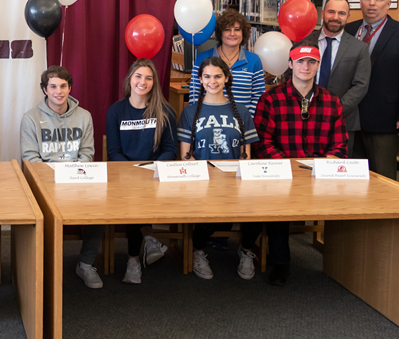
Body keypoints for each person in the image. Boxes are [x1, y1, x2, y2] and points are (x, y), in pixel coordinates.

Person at [253, 46, 347, 285]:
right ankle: (281, 263)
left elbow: (340, 145)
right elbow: (262, 143)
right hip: (282, 171)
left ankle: (342, 261)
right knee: (277, 204)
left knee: (350, 200)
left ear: (317, 66)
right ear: (290, 64)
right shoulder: (271, 99)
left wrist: (323, 167)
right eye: (300, 61)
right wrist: (287, 168)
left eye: (311, 62)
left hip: (320, 173)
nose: (306, 66)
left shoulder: (332, 101)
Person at [19, 65, 105, 289]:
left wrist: (71, 175)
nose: (59, 91)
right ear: (45, 90)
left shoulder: (84, 116)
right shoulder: (30, 119)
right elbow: (30, 160)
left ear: (70, 88)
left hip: (77, 181)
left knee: (98, 209)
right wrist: (57, 176)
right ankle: (42, 265)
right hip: (46, 184)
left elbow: (87, 154)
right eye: (53, 86)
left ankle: (85, 264)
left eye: (63, 86)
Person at [179, 57, 261, 280]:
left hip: (234, 181)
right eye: (207, 76)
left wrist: (240, 183)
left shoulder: (242, 112)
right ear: (200, 79)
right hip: (203, 181)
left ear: (226, 78)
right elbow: (185, 155)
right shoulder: (189, 112)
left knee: (262, 211)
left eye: (217, 76)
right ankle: (197, 251)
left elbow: (247, 156)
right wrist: (204, 177)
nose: (212, 81)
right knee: (212, 214)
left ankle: (246, 250)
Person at [104, 58, 177, 285]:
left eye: (148, 77)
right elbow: (113, 151)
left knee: (138, 198)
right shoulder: (116, 110)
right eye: (138, 76)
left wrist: (152, 170)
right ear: (130, 79)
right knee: (132, 198)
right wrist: (133, 172)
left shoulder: (165, 111)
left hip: (156, 175)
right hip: (125, 176)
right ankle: (146, 242)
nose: (142, 82)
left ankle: (134, 259)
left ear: (154, 82)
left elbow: (171, 149)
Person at [344, 0, 399, 179]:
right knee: (350, 173)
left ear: (388, 4)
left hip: (384, 118)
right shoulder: (348, 30)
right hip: (349, 115)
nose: (372, 3)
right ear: (360, 3)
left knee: (383, 175)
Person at [293, 0, 372, 150]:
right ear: (322, 14)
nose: (335, 17)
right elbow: (292, 75)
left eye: (341, 13)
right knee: (302, 168)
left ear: (348, 17)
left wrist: (334, 109)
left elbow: (360, 86)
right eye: (331, 12)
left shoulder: (359, 48)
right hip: (302, 118)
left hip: (342, 120)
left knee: (338, 170)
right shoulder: (303, 42)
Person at [189, 9, 266, 117]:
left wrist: (247, 120)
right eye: (227, 29)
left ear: (243, 32)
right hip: (207, 120)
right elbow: (195, 93)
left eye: (237, 29)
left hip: (243, 122)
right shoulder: (203, 58)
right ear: (220, 33)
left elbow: (258, 96)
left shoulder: (254, 60)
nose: (232, 34)